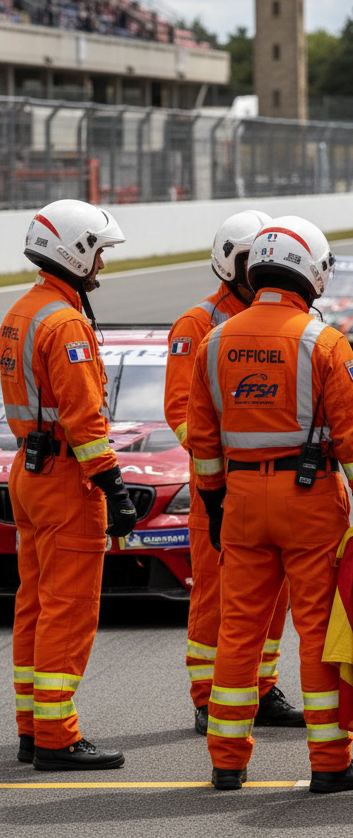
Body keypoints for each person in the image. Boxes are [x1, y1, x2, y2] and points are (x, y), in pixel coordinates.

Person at [186, 215, 353, 792]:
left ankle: (226, 759)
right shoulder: (322, 341)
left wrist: (217, 504)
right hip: (310, 501)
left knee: (239, 632)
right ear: (309, 272)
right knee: (320, 633)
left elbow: (203, 441)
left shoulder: (215, 340)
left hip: (242, 500)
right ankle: (329, 762)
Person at [4, 200, 133, 770]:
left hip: (27, 474)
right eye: (98, 251)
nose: (101, 264)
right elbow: (84, 418)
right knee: (68, 608)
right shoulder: (65, 322)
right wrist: (114, 486)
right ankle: (57, 737)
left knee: (34, 604)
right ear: (73, 250)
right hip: (64, 481)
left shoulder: (21, 312)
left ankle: (32, 727)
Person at [164, 210, 303, 735]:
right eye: (249, 259)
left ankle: (262, 688)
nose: (258, 270)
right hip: (218, 487)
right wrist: (227, 459)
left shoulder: (288, 320)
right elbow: (181, 412)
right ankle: (208, 695)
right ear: (228, 261)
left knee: (277, 595)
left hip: (273, 485)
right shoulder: (197, 324)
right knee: (216, 598)